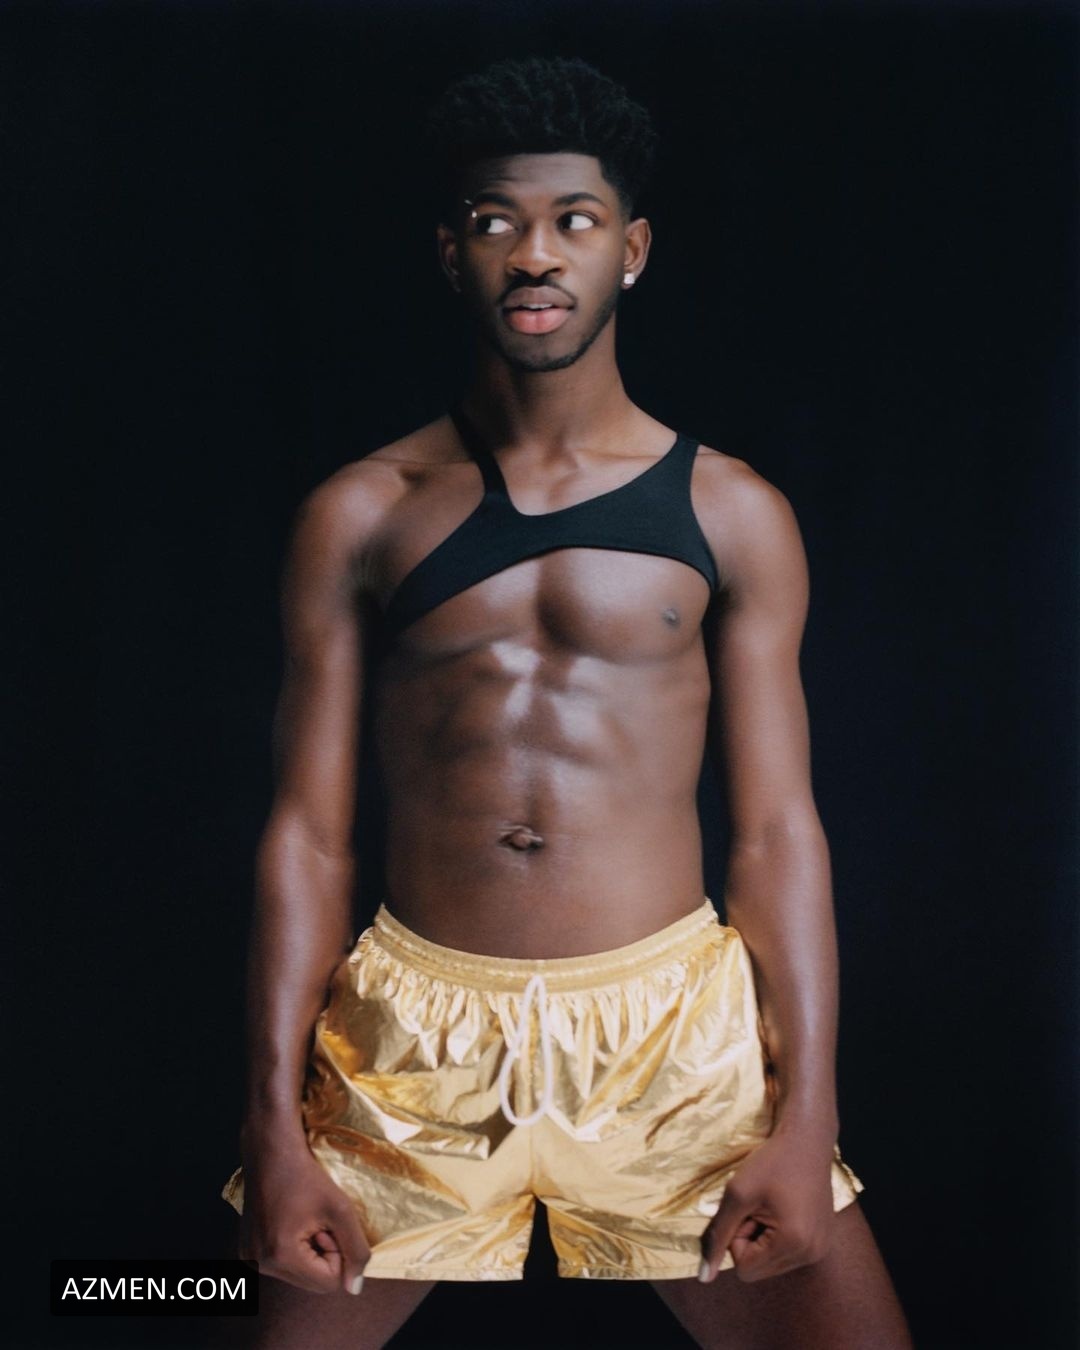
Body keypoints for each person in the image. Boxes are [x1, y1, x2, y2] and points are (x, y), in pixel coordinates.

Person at [221, 55, 913, 1350]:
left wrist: (808, 1108)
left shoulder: (733, 512)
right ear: (453, 254)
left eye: (573, 221)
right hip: (409, 1046)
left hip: (672, 1041)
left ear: (629, 251)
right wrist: (270, 1124)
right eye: (497, 222)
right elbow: (306, 835)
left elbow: (778, 832)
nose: (535, 254)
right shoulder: (359, 513)